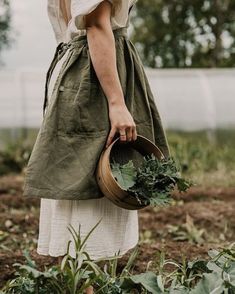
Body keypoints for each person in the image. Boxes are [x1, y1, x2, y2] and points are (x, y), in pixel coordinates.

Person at [23, 1, 169, 293]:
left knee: (82, 178)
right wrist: (116, 102)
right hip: (95, 75)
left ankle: (83, 287)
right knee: (91, 180)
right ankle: (85, 288)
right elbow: (97, 24)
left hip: (85, 67)